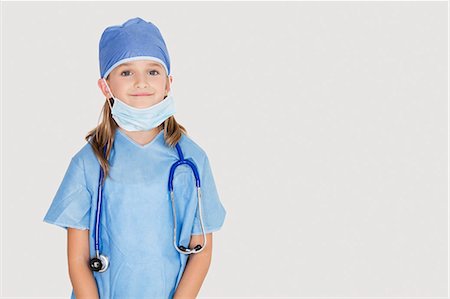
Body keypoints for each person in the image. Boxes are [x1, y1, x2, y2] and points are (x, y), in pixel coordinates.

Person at [43, 17, 227, 299]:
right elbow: (77, 261)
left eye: (153, 71)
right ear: (106, 87)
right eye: (126, 72)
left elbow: (201, 253)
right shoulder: (88, 163)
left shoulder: (192, 161)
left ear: (168, 84)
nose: (141, 82)